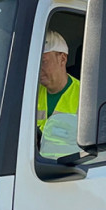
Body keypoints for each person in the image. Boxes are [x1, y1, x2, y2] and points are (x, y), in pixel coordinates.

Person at [36, 30, 80, 158]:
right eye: (36, 62)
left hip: (67, 168)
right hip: (32, 166)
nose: (38, 68)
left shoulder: (85, 97)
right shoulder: (31, 93)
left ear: (62, 59)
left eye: (43, 61)